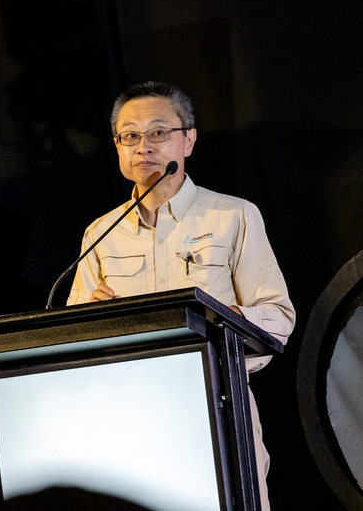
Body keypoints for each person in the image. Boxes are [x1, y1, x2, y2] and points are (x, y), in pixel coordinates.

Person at [67, 81, 295, 510]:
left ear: (188, 139)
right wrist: (91, 321)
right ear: (117, 147)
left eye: (158, 132)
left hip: (216, 404)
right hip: (126, 414)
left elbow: (278, 317)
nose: (143, 147)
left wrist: (224, 319)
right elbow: (69, 339)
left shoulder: (233, 215)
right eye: (129, 135)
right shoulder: (101, 233)